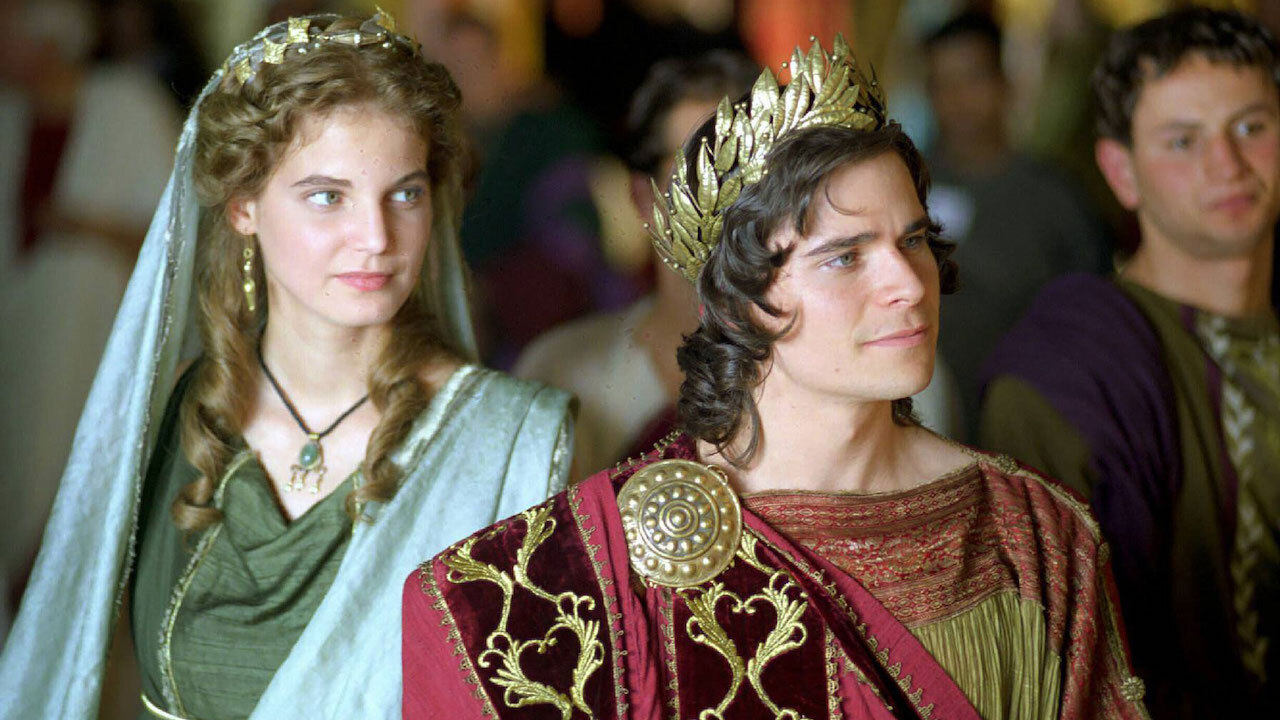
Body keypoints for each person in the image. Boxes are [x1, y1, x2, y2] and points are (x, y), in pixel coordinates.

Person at [403, 37, 1148, 719]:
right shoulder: (596, 563)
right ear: (742, 298)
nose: (908, 284)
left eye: (914, 239)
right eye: (845, 256)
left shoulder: (1033, 531)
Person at [0, 11, 573, 720]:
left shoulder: (506, 441)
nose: (376, 237)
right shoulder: (187, 412)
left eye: (405, 192)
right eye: (328, 196)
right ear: (244, 206)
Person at [981, 8, 1280, 717]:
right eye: (1182, 140)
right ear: (1122, 172)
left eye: (1251, 127)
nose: (1227, 165)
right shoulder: (1070, 374)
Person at [513, 51, 758, 477]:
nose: (725, 196)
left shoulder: (830, 364)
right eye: (697, 170)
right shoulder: (558, 372)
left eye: (746, 168)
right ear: (643, 197)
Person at [923, 11, 1110, 437]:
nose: (958, 98)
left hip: (1030, 428)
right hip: (923, 425)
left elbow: (1093, 321)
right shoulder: (902, 188)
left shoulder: (1057, 199)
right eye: (942, 83)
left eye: (972, 78)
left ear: (1005, 82)